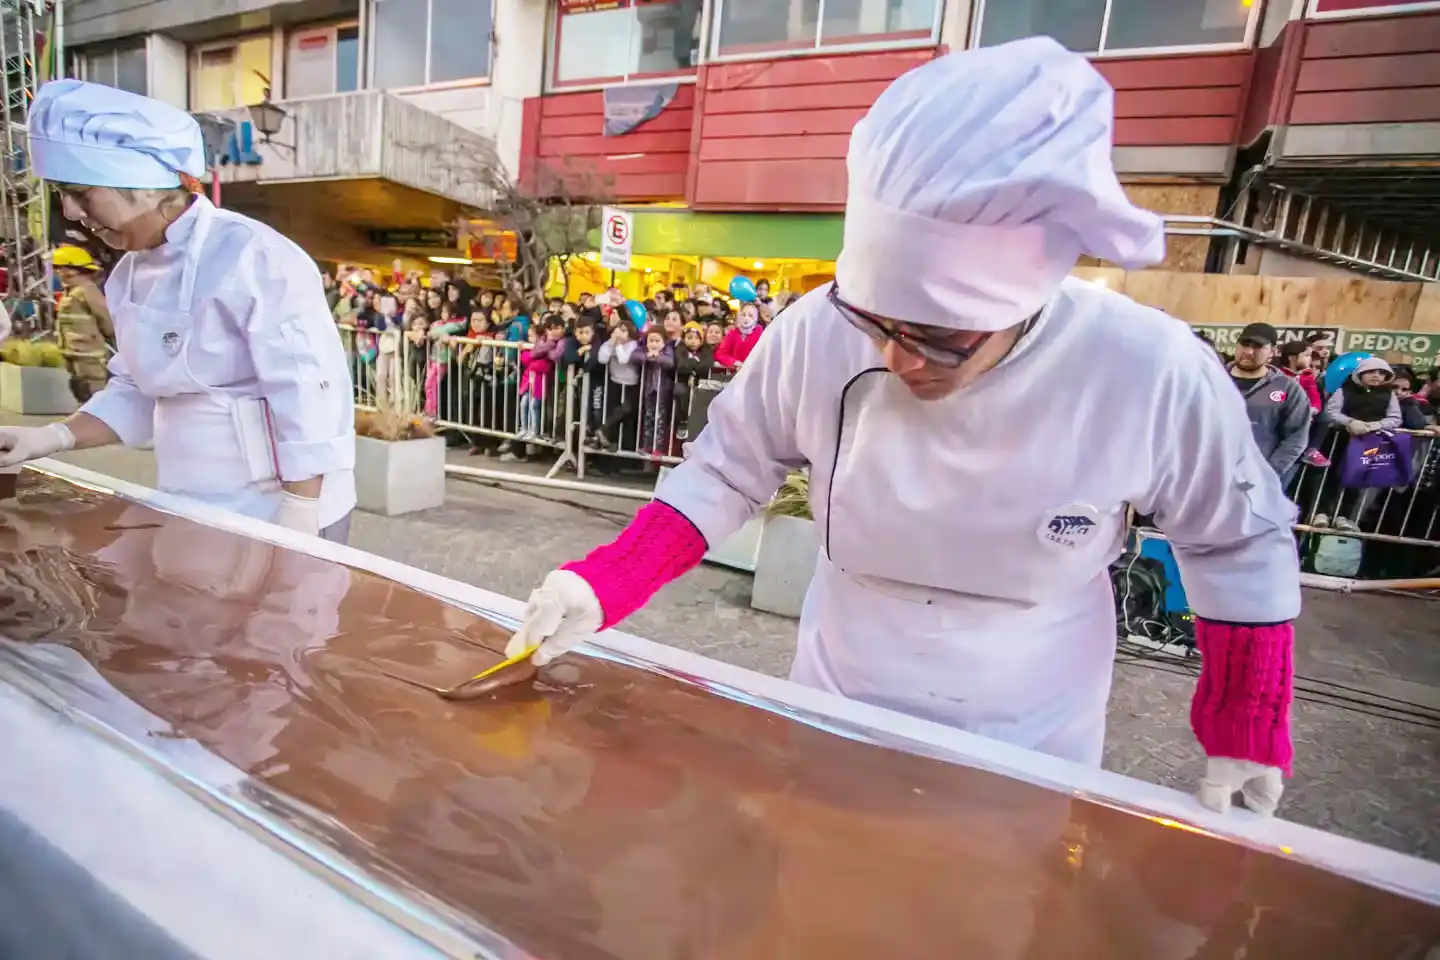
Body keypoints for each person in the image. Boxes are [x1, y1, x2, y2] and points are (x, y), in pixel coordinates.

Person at [505, 39, 1303, 817]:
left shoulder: (1148, 367)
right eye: (879, 321)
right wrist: (608, 577)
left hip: (1028, 715)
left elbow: (1236, 540)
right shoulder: (818, 332)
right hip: (843, 683)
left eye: (940, 337)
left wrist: (1247, 718)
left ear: (1025, 295)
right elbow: (726, 469)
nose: (896, 357)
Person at [0, 81, 355, 540]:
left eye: (82, 193)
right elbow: (135, 390)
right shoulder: (127, 276)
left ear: (144, 186)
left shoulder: (253, 255)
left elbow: (311, 394)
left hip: (285, 509)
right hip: (190, 505)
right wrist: (50, 437)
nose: (70, 213)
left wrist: (301, 509)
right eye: (61, 196)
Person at [1227, 322, 1311, 481]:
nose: (1249, 351)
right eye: (1244, 344)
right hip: (1209, 474)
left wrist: (1269, 473)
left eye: (1258, 346)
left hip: (1254, 477)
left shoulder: (1289, 389)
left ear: (1273, 351)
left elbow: (1296, 437)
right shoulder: (1211, 378)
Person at [52, 244, 116, 402]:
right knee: (81, 392)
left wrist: (108, 335)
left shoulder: (86, 290)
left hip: (89, 355)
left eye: (59, 267)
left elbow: (106, 318)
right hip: (74, 354)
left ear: (70, 269)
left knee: (95, 396)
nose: (57, 272)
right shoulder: (71, 292)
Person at [1277, 339, 1329, 468]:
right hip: (1284, 410)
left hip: (1303, 411)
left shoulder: (1307, 376)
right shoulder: (1279, 375)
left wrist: (1314, 408)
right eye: (1306, 355)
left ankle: (1312, 449)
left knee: (1325, 417)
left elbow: (1314, 395)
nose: (1309, 359)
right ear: (1292, 358)